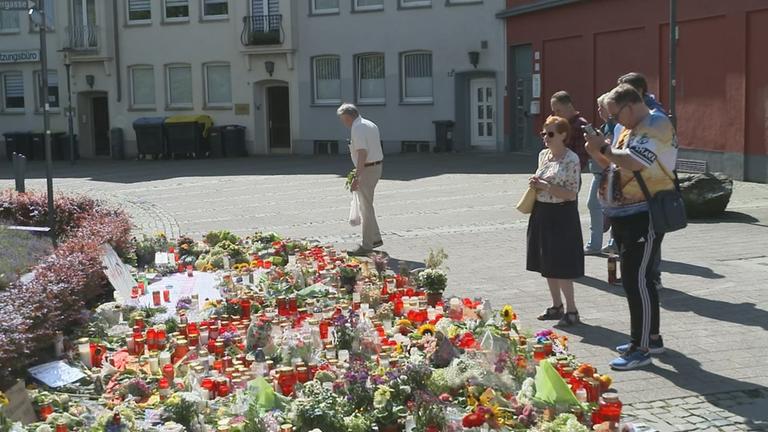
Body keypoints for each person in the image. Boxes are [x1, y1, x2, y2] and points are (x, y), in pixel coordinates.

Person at [585, 84, 678, 370]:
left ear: (630, 105)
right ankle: (650, 338)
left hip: (645, 213)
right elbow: (614, 166)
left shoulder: (656, 124)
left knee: (636, 280)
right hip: (626, 214)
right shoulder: (630, 128)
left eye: (616, 114)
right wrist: (596, 150)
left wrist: (605, 149)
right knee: (640, 280)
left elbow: (635, 162)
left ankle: (642, 348)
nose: (614, 121)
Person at [527, 115, 585, 327]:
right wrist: (535, 184)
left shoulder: (572, 159)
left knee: (562, 264)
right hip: (542, 211)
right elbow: (541, 182)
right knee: (546, 262)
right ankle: (556, 306)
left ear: (563, 135)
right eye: (544, 133)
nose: (546, 138)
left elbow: (571, 193)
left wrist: (545, 186)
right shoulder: (544, 155)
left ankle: (572, 310)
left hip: (562, 214)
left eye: (550, 134)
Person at [616, 72, 667, 284]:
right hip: (630, 194)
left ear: (638, 92)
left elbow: (639, 159)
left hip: (650, 192)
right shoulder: (629, 118)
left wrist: (606, 151)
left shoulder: (654, 117)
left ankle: (652, 277)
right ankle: (637, 275)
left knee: (649, 239)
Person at [337, 103, 384, 256]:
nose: (343, 123)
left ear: (350, 116)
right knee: (367, 205)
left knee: (366, 208)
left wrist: (356, 177)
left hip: (368, 168)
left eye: (344, 119)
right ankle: (375, 238)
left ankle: (367, 245)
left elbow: (362, 153)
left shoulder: (357, 128)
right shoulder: (370, 124)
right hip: (375, 167)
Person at [584, 93, 616, 254]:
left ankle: (607, 243)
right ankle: (598, 243)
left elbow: (609, 150)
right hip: (599, 172)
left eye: (601, 107)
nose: (598, 110)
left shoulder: (613, 126)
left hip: (607, 172)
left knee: (605, 206)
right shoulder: (604, 127)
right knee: (595, 205)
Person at [550, 91, 590, 171]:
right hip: (554, 170)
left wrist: (571, 171)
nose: (556, 115)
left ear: (569, 106)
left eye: (558, 111)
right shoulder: (557, 124)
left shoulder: (580, 125)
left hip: (570, 173)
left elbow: (582, 155)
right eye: (554, 112)